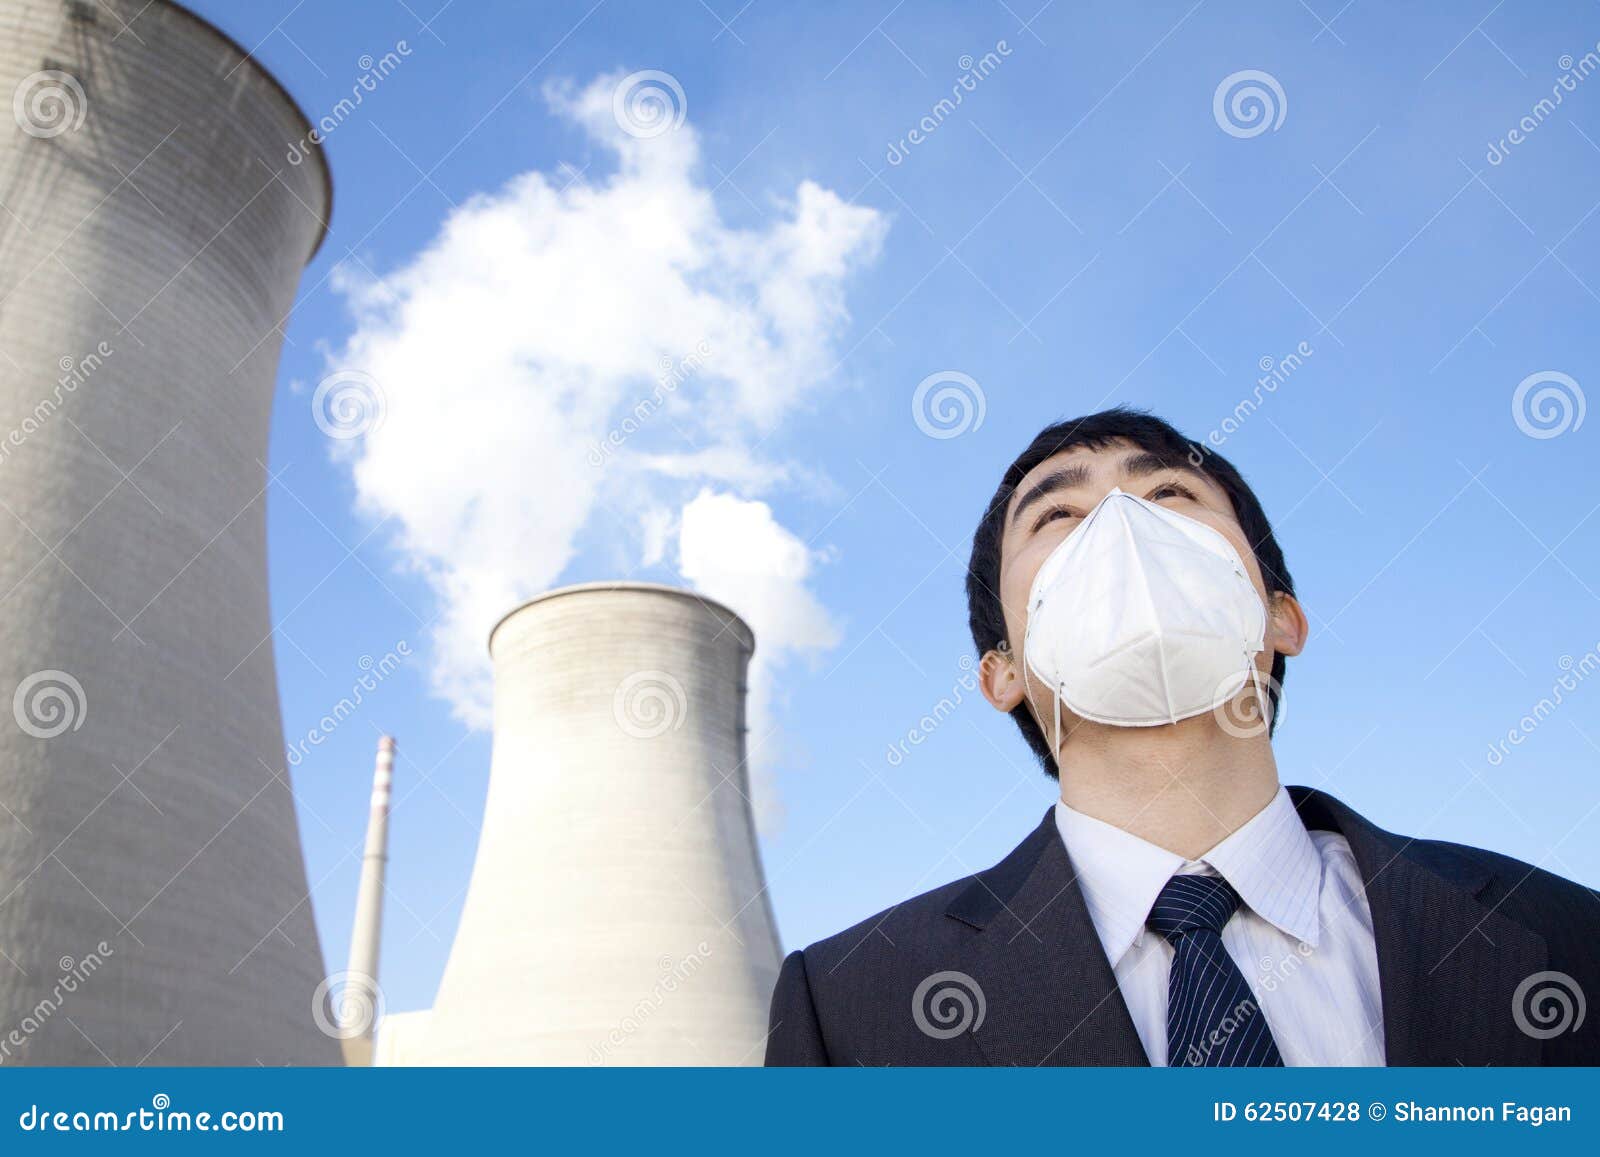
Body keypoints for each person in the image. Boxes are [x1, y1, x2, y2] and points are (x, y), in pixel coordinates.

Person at [765, 407, 1599, 1067]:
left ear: (1282, 615)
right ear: (1001, 671)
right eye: (1058, 512)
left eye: (1169, 494)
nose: (1122, 525)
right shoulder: (850, 1006)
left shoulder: (1566, 934)